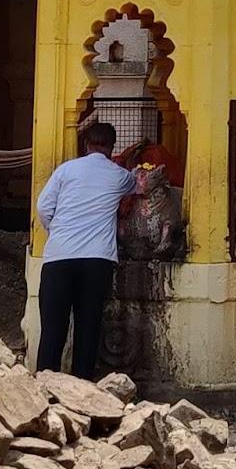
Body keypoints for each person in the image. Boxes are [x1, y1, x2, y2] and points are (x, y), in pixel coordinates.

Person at [35, 121, 136, 378]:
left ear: (86, 145)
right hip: (96, 260)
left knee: (53, 330)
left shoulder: (65, 170)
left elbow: (43, 208)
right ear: (111, 148)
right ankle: (82, 390)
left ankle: (44, 388)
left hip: (59, 258)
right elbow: (140, 186)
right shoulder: (119, 175)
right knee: (88, 328)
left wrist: (58, 232)